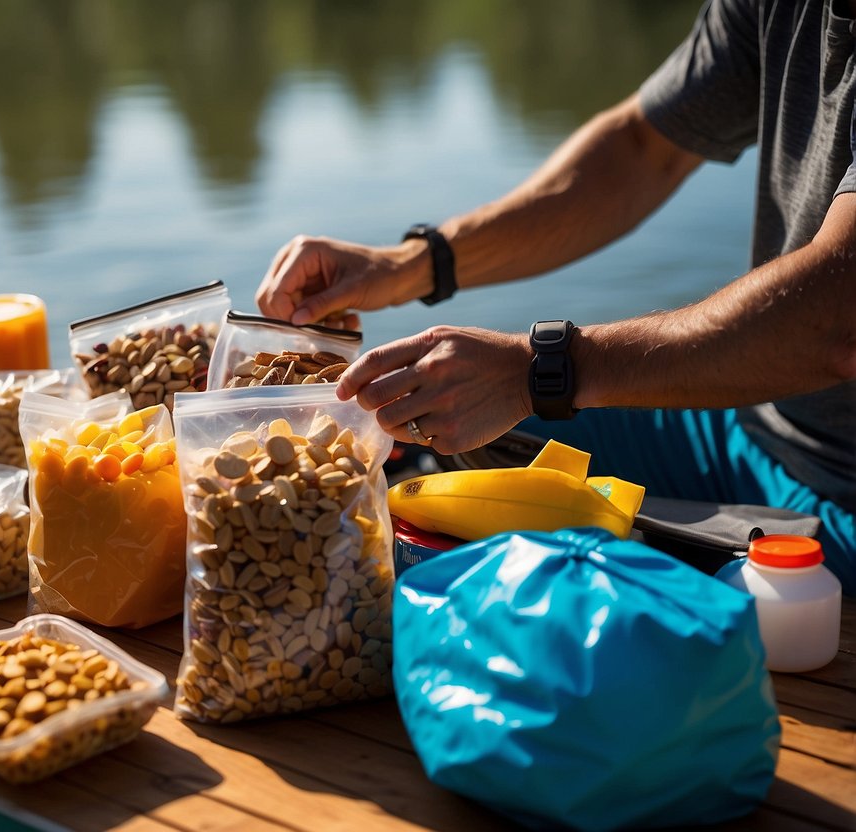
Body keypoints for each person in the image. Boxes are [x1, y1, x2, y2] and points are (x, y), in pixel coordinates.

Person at [255, 0, 856, 594]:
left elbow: (836, 317)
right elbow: (643, 150)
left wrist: (538, 370)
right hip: (742, 427)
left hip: (842, 497)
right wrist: (408, 265)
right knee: (442, 455)